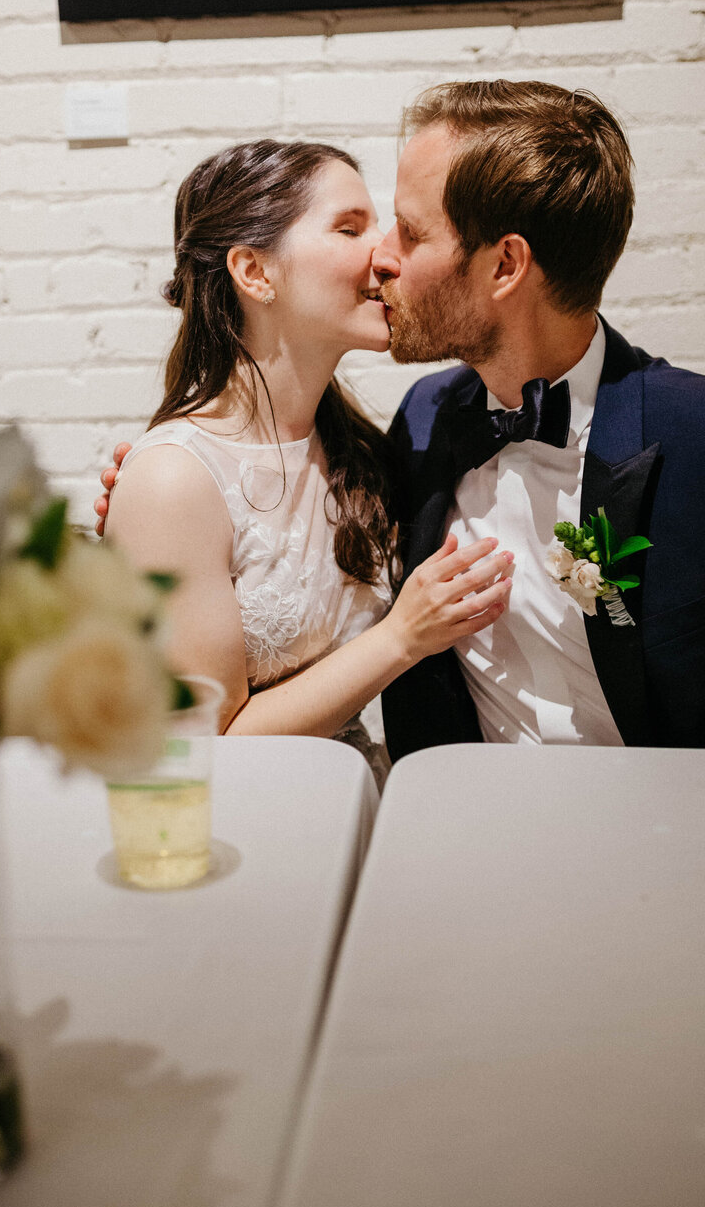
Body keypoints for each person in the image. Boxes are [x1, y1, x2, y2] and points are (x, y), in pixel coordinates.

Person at [368, 80, 705, 760]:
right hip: (468, 829)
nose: (380, 254)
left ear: (506, 265)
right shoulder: (425, 418)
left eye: (409, 230)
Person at [99, 137, 513, 780]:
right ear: (255, 273)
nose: (385, 253)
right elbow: (203, 746)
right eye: (350, 227)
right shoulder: (173, 479)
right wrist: (400, 638)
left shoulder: (365, 451)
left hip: (361, 800)